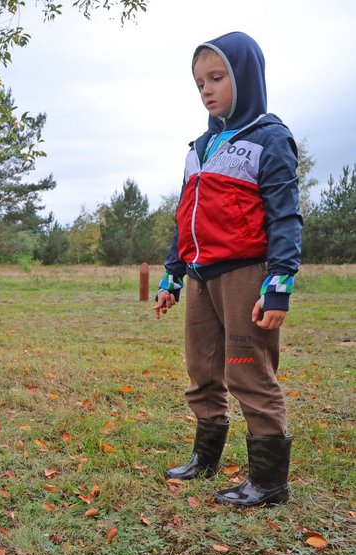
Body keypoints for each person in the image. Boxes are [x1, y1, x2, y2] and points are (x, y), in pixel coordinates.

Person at [154, 32, 302, 506]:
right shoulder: (198, 146)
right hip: (200, 277)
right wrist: (172, 275)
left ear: (246, 76)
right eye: (200, 83)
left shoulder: (269, 137)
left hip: (245, 274)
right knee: (202, 370)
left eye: (217, 78)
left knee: (247, 370)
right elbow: (185, 216)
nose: (207, 90)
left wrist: (279, 284)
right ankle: (205, 457)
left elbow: (285, 215)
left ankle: (269, 482)